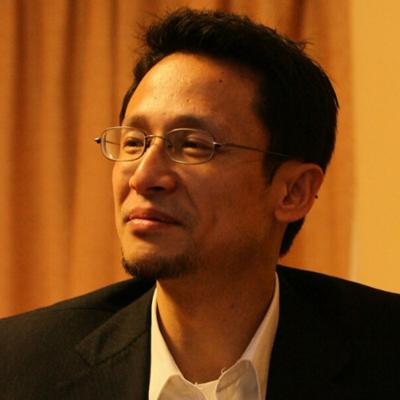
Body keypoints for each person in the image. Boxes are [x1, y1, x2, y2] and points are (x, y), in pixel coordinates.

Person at [1, 8, 399, 400]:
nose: (143, 176)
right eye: (134, 142)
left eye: (192, 145)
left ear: (293, 191)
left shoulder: (384, 355)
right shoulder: (21, 367)